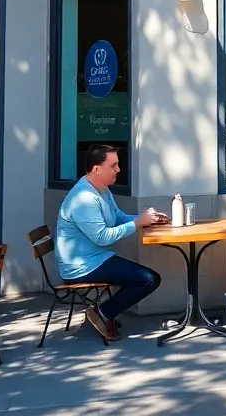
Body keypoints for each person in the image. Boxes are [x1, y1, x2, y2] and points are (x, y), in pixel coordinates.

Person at [55, 144, 167, 342]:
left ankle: (103, 312)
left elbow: (117, 216)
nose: (118, 170)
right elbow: (102, 237)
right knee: (149, 279)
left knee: (149, 278)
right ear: (96, 169)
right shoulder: (84, 198)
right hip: (81, 266)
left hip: (96, 259)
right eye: (113, 165)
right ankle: (103, 312)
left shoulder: (102, 190)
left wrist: (145, 219)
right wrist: (137, 223)